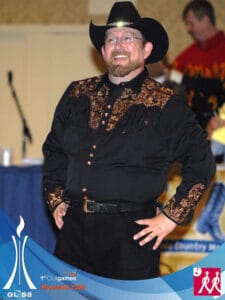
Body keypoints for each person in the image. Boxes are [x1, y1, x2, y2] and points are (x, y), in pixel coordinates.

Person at [42, 1, 215, 280]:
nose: (118, 44)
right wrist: (55, 198)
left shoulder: (167, 104)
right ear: (103, 51)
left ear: (146, 50)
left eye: (128, 37)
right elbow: (54, 151)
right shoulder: (76, 93)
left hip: (131, 239)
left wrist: (171, 217)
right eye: (111, 39)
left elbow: (201, 164)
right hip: (73, 234)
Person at [172, 0, 225, 163]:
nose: (188, 29)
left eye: (191, 23)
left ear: (206, 20)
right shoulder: (185, 58)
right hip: (198, 133)